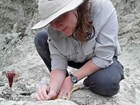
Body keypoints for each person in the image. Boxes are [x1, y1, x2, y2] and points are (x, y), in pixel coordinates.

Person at [31, 0, 124, 101]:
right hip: (74, 59)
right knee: (41, 38)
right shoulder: (54, 31)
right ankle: (63, 84)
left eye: (59, 17)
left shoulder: (102, 9)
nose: (56, 26)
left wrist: (72, 79)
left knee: (107, 83)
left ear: (77, 7)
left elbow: (104, 57)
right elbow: (58, 66)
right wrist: (52, 90)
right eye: (51, 22)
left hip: (101, 59)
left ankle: (86, 80)